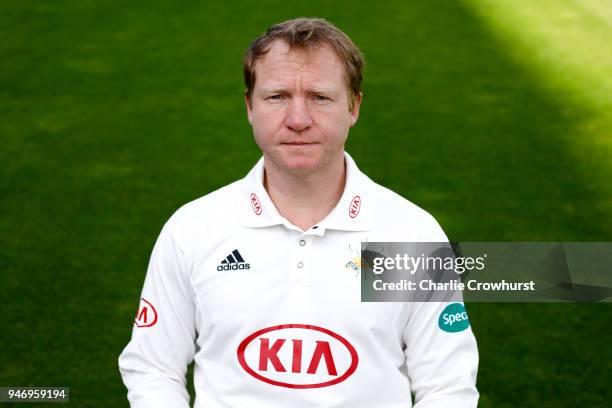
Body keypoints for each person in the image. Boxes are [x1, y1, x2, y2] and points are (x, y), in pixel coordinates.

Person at [118, 17, 479, 407]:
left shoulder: (410, 235)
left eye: (320, 98)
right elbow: (154, 368)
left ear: (354, 106)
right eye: (277, 97)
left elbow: (446, 386)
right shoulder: (193, 229)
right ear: (249, 107)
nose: (298, 120)